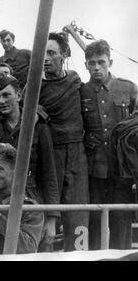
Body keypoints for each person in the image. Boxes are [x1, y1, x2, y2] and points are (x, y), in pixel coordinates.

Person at [80, 40, 138, 250]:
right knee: (95, 223)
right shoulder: (81, 91)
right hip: (93, 170)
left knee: (121, 222)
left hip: (122, 170)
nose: (96, 67)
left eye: (101, 62)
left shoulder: (128, 88)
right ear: (85, 64)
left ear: (110, 62)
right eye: (92, 63)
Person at [39, 32, 89, 251]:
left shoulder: (75, 80)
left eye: (51, 53)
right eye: (43, 53)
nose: (46, 58)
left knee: (79, 216)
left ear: (64, 55)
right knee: (47, 220)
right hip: (51, 155)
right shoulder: (35, 90)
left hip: (78, 155)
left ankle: (79, 257)